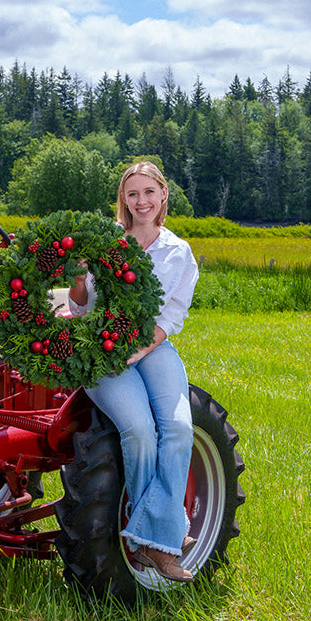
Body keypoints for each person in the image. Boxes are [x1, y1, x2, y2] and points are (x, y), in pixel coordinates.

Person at [67, 161, 200, 582]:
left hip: (151, 345)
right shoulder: (107, 243)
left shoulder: (177, 251)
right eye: (132, 194)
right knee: (139, 429)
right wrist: (76, 278)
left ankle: (153, 534)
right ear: (123, 200)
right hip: (104, 347)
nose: (141, 201)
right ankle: (163, 539)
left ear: (163, 195)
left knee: (178, 428)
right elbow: (80, 307)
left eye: (148, 192)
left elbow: (172, 313)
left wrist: (143, 347)